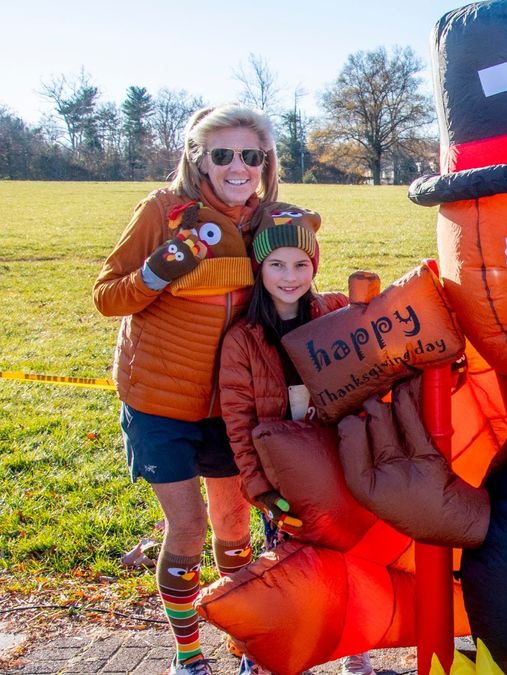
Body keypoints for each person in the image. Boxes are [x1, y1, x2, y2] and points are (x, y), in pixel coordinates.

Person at [94, 104, 278, 675]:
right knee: (189, 526)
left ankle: (244, 645)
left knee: (233, 525)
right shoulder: (161, 210)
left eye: (251, 154)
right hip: (158, 401)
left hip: (230, 404)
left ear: (266, 161)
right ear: (198, 158)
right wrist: (158, 271)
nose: (238, 166)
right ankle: (188, 656)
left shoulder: (268, 221)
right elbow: (107, 296)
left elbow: (289, 299)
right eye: (222, 154)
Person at [218, 208, 378, 675]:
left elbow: (372, 359)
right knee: (289, 567)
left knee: (351, 559)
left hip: (337, 462)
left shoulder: (330, 312)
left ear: (314, 267)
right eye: (277, 266)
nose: (290, 277)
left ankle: (356, 649)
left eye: (301, 265)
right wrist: (259, 487)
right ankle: (277, 656)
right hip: (283, 474)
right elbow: (239, 421)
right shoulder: (243, 341)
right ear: (260, 269)